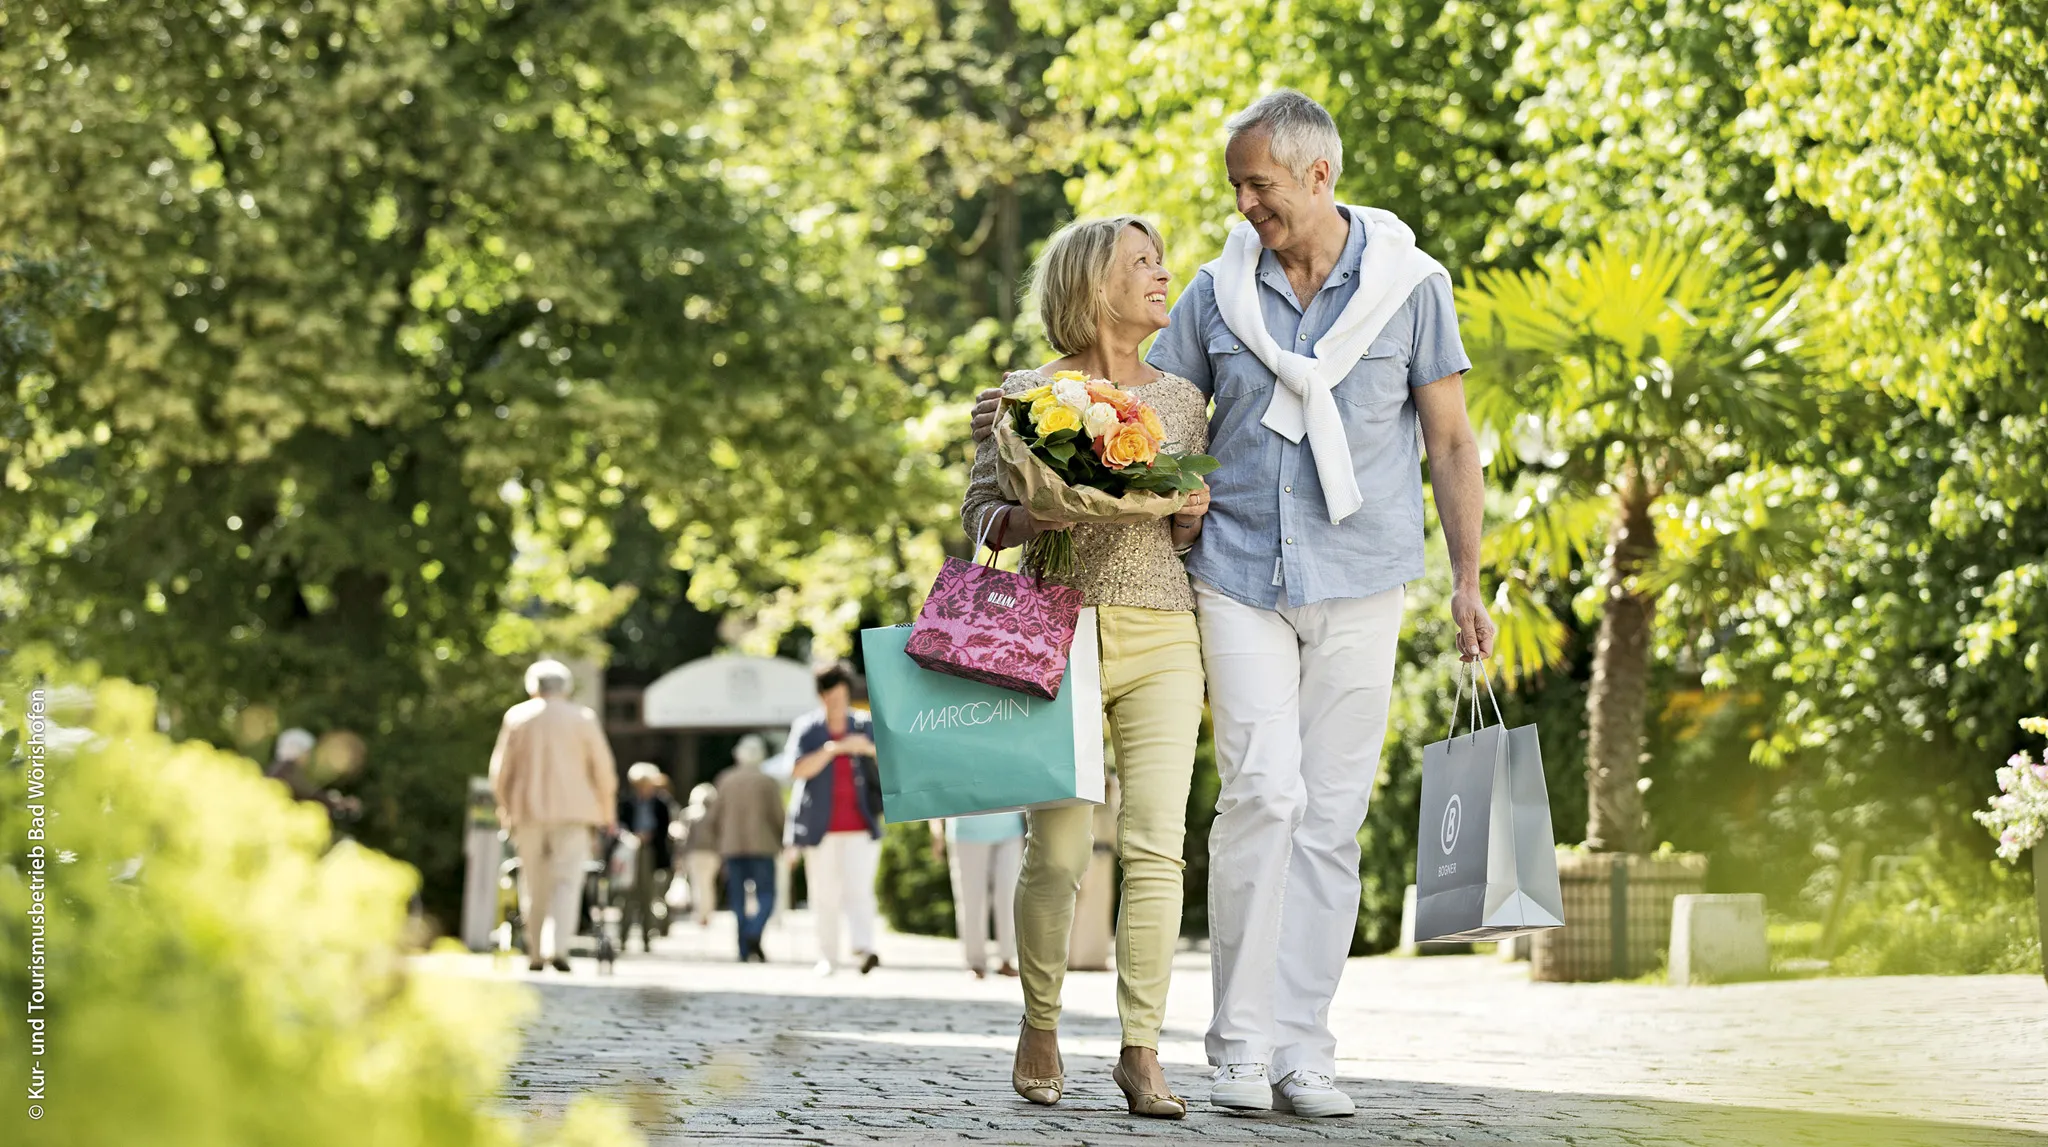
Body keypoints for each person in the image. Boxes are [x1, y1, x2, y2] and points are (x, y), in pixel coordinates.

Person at [971, 90, 1499, 1118]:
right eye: (1235, 186)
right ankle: (1237, 1044)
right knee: (1263, 793)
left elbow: (1448, 443)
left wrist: (1467, 580)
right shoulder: (1217, 295)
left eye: (1256, 184)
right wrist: (1026, 411)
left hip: (1363, 572)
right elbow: (1127, 416)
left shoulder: (1409, 286)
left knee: (1332, 814)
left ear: (1317, 176)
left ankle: (1305, 1045)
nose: (1243, 204)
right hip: (1233, 571)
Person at [961, 213, 1211, 1120]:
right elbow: (981, 519)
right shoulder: (1025, 393)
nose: (1160, 271)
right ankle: (1039, 1022)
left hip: (1165, 629)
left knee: (1156, 846)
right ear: (1090, 284)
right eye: (1140, 261)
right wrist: (1042, 515)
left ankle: (1142, 1050)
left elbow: (1194, 531)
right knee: (1060, 847)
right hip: (1055, 625)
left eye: (1160, 259)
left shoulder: (1184, 402)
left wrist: (1188, 512)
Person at [488, 659, 618, 974]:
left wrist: (505, 808)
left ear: (533, 686)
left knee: (533, 884)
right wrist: (607, 814)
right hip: (575, 814)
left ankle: (534, 952)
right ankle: (557, 947)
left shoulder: (518, 717)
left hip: (527, 813)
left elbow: (499, 771)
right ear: (567, 687)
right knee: (567, 882)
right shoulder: (583, 719)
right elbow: (604, 772)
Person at [786, 662, 886, 976]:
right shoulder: (808, 728)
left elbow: (888, 760)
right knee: (824, 894)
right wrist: (834, 749)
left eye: (842, 695)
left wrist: (866, 749)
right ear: (821, 697)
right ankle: (827, 957)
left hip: (861, 824)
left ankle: (863, 948)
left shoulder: (865, 724)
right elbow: (797, 769)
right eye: (831, 696)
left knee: (859, 889)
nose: (837, 702)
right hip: (821, 828)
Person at [712, 731, 786, 962]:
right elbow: (778, 815)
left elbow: (714, 816)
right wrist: (785, 839)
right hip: (763, 846)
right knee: (767, 896)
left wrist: (718, 841)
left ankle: (744, 948)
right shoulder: (767, 782)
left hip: (732, 847)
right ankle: (753, 933)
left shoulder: (726, 780)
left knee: (738, 900)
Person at [930, 813, 1024, 979]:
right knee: (972, 900)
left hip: (1010, 830)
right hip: (966, 833)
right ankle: (975, 963)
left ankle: (1006, 959)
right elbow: (936, 788)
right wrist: (936, 828)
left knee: (1009, 896)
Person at [617, 762, 677, 952]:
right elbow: (620, 825)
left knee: (648, 896)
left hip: (651, 853)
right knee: (626, 896)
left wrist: (649, 836)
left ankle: (646, 937)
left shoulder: (660, 803)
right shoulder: (626, 802)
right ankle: (623, 936)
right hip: (629, 852)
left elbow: (665, 830)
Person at [677, 779, 724, 927]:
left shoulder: (689, 814)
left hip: (695, 854)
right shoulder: (716, 815)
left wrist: (679, 855)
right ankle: (706, 913)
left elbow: (684, 838)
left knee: (698, 884)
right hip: (712, 854)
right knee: (708, 884)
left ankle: (701, 913)